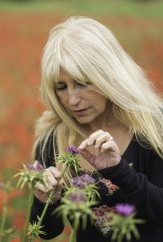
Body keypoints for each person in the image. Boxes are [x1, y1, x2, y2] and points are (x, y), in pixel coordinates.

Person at [29, 16, 163, 242]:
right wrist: (44, 200)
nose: (72, 100)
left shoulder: (153, 127)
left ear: (108, 76)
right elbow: (45, 231)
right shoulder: (54, 140)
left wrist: (119, 170)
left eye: (82, 83)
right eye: (61, 87)